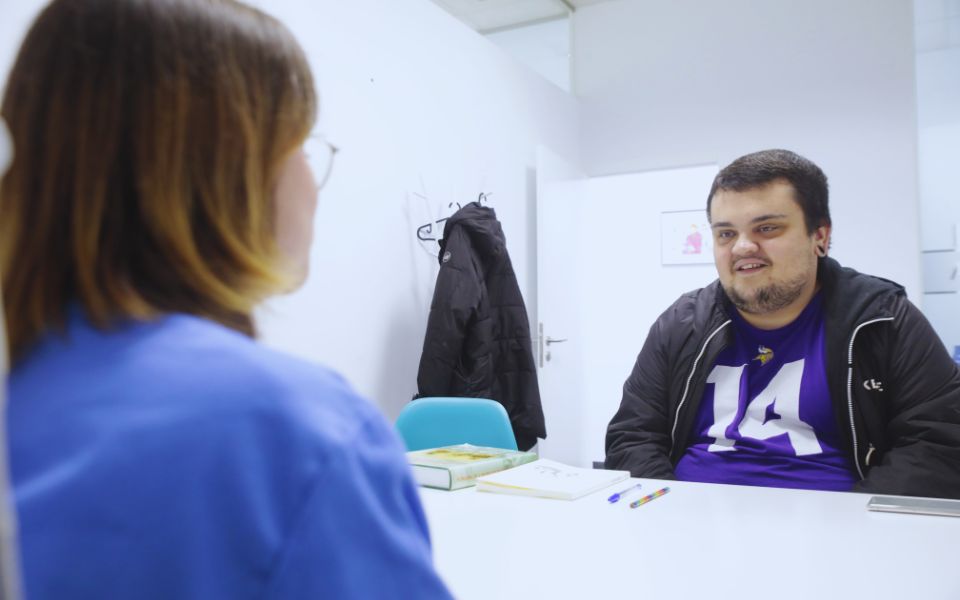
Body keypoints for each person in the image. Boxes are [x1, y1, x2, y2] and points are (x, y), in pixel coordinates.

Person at [1, 1, 452, 598]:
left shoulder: (26, 395)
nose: (313, 184)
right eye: (302, 145)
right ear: (230, 169)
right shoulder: (295, 432)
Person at [605, 149, 960, 499]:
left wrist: (855, 526)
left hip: (835, 533)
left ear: (819, 236)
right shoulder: (681, 323)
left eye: (768, 228)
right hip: (691, 524)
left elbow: (937, 442)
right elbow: (633, 435)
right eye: (725, 234)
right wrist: (668, 510)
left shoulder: (883, 320)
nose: (743, 247)